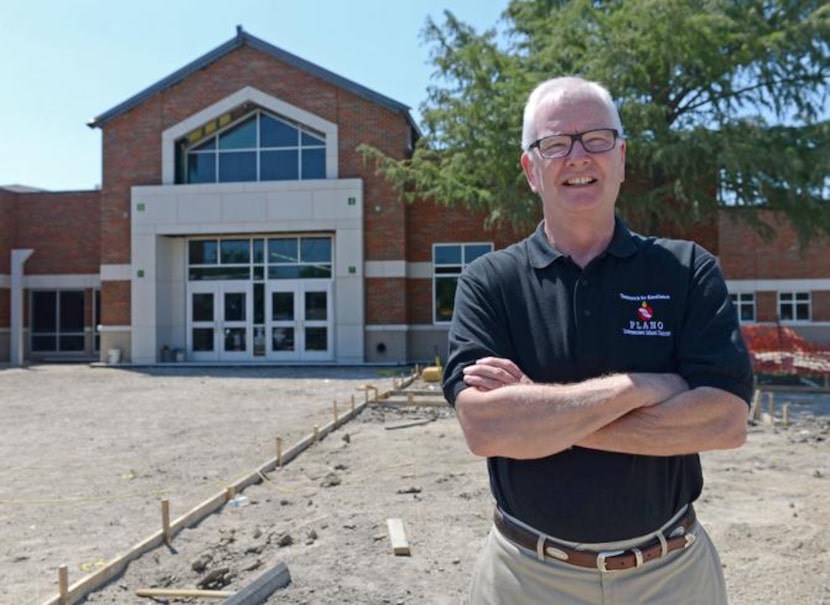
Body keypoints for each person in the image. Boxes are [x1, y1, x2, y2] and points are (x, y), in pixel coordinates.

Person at [441, 76, 753, 604]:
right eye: (556, 143)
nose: (578, 156)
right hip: (526, 578)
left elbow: (724, 421)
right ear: (530, 169)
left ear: (622, 158)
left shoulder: (686, 270)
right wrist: (645, 385)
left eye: (597, 139)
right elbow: (486, 427)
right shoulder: (489, 281)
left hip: (672, 576)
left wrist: (539, 416)